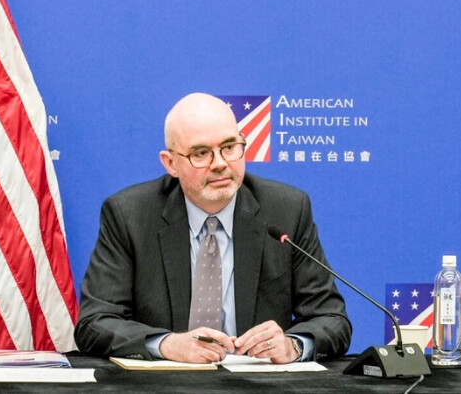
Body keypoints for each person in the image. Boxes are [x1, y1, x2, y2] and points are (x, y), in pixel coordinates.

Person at [75, 92, 352, 364]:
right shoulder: (129, 215)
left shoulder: (287, 210)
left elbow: (332, 319)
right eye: (201, 153)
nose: (220, 164)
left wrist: (293, 345)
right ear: (171, 163)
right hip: (164, 387)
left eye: (230, 147)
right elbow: (95, 322)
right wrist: (167, 344)